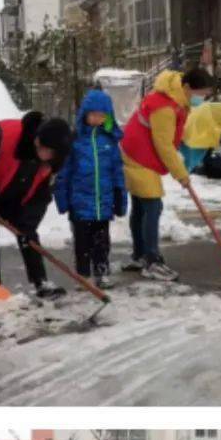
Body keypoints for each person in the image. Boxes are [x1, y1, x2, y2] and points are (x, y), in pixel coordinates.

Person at [0, 111, 74, 299]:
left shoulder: (55, 160)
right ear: (36, 139)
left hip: (17, 191)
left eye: (50, 152)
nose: (44, 155)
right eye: (42, 147)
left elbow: (41, 195)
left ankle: (41, 283)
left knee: (28, 234)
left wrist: (29, 222)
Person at [119, 67, 215, 280]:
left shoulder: (173, 93)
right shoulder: (165, 107)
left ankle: (140, 255)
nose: (204, 98)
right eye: (202, 94)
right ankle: (151, 261)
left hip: (136, 151)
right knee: (152, 206)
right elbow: (163, 145)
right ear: (188, 87)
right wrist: (181, 174)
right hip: (138, 156)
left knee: (141, 207)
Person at [53, 87, 128, 289]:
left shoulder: (110, 142)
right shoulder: (75, 141)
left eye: (102, 115)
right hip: (80, 203)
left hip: (103, 203)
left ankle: (102, 272)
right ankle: (83, 275)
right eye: (93, 114)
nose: (97, 119)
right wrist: (63, 198)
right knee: (82, 243)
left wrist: (120, 196)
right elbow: (64, 173)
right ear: (84, 115)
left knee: (102, 242)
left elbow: (117, 171)